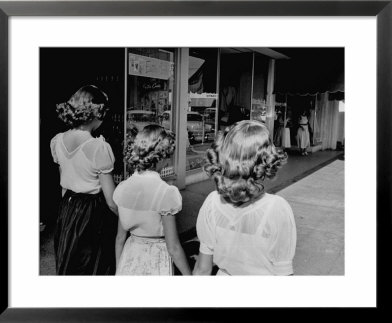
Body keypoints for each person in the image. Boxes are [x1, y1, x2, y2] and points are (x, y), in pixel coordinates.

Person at [193, 120, 297, 275]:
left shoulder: (212, 202)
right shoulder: (277, 208)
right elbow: (284, 272)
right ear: (265, 159)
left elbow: (202, 269)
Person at [50, 85, 118, 275]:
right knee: (93, 264)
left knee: (69, 257)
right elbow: (111, 201)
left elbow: (63, 182)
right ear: (95, 114)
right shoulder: (98, 147)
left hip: (67, 206)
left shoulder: (57, 140)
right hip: (92, 212)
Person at [114, 125, 191, 275]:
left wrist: (119, 268)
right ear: (160, 158)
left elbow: (119, 238)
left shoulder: (123, 188)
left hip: (130, 254)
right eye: (168, 156)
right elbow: (173, 248)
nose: (168, 161)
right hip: (156, 258)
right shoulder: (165, 193)